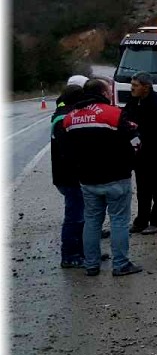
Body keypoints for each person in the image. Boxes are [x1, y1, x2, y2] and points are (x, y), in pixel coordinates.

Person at [60, 78, 143, 277]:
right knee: (119, 221)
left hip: (87, 180)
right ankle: (120, 264)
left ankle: (91, 264)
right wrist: (130, 162)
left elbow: (66, 150)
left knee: (92, 222)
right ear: (103, 93)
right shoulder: (115, 114)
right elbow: (136, 141)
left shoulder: (70, 118)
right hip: (116, 177)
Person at [123, 72, 157, 235]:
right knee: (143, 189)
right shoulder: (133, 102)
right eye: (132, 84)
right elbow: (125, 119)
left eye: (135, 85)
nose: (132, 88)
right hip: (138, 155)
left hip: (156, 154)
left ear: (146, 87)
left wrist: (140, 133)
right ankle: (141, 220)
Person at [50, 84, 86, 268]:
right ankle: (70, 255)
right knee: (74, 217)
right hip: (69, 176)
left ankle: (82, 251)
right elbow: (68, 150)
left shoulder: (62, 114)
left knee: (81, 216)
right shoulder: (63, 119)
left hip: (68, 175)